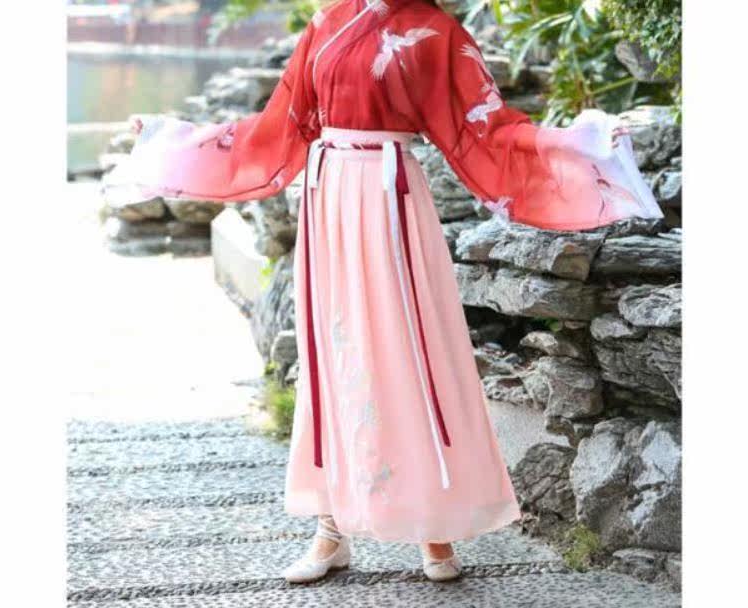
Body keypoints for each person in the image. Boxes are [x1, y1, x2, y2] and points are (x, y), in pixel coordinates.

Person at [107, 0, 662, 584]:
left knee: (407, 352)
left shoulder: (434, 30)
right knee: (334, 354)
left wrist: (584, 144)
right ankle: (330, 529)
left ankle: (434, 528)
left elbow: (489, 128)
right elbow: (276, 125)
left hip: (388, 196)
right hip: (327, 193)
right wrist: (172, 143)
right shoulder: (327, 23)